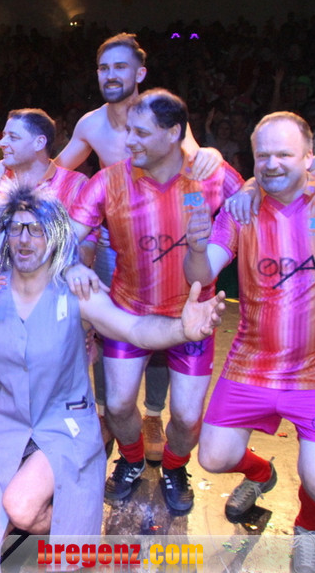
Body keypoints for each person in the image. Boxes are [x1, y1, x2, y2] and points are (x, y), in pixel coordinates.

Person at [0, 187, 225, 573]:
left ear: (55, 236)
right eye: (15, 228)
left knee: (21, 509)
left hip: (61, 427)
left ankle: (62, 522)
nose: (25, 239)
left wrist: (182, 329)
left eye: (36, 229)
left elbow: (133, 329)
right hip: (5, 429)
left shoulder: (75, 292)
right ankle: (49, 520)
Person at [67, 88, 242, 513]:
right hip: (129, 314)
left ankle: (174, 468)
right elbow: (65, 234)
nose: (128, 141)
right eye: (128, 130)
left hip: (192, 320)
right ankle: (130, 460)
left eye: (141, 133)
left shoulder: (211, 174)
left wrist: (224, 163)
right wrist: (71, 263)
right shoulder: (109, 180)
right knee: (119, 404)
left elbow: (256, 199)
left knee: (186, 416)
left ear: (174, 133)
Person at [184, 112, 315, 573]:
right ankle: (261, 474)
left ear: (309, 156)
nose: (272, 164)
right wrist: (196, 248)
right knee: (214, 457)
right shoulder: (241, 209)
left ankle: (307, 528)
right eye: (262, 156)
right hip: (252, 364)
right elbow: (202, 273)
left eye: (284, 154)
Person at [55, 33, 223, 461]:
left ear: (140, 73)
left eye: (120, 67)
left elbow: (195, 159)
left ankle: (157, 424)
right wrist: (71, 259)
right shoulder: (93, 130)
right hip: (116, 239)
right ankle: (119, 432)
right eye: (103, 67)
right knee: (110, 335)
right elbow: (56, 172)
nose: (110, 75)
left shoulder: (164, 115)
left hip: (177, 255)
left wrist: (216, 160)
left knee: (184, 403)